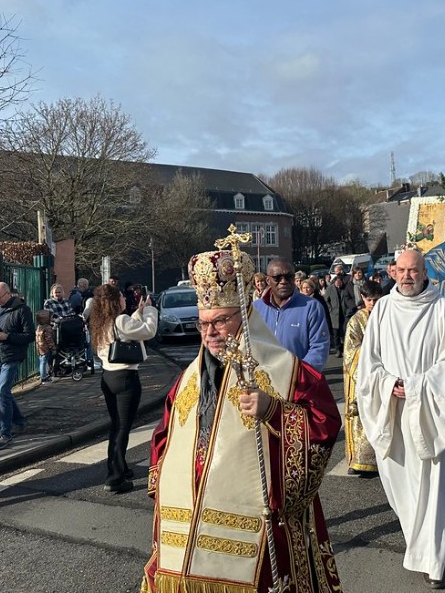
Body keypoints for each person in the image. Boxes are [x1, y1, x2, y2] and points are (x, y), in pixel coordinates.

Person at [141, 246, 342, 593]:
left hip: (260, 531)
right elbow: (165, 434)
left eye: (221, 320)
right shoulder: (187, 379)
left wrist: (273, 411)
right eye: (204, 323)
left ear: (246, 314)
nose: (211, 332)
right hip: (186, 526)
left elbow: (324, 425)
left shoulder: (289, 372)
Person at [356, 249, 445, 589]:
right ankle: (419, 543)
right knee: (402, 486)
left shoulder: (441, 310)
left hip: (430, 412)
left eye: (414, 271)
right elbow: (369, 365)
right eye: (402, 270)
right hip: (392, 411)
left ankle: (433, 561)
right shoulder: (383, 313)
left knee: (435, 486)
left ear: (425, 273)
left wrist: (419, 386)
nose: (407, 276)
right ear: (393, 272)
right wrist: (390, 384)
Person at [89, 284, 159, 493]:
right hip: (126, 378)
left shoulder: (101, 322)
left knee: (116, 425)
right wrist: (150, 311)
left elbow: (130, 330)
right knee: (122, 429)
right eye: (121, 296)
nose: (124, 299)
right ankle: (115, 478)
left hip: (108, 376)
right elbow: (148, 331)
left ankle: (119, 467)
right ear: (114, 301)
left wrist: (138, 311)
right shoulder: (120, 320)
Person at [0, 281, 34, 451]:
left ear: (8, 294)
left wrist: (7, 336)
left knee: (2, 393)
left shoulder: (21, 310)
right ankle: (18, 421)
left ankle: (5, 434)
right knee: (3, 394)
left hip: (10, 357)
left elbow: (29, 335)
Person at [254, 258, 330, 370]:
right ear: (268, 280)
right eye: (277, 277)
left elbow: (319, 347)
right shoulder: (256, 308)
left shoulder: (311, 307)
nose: (283, 281)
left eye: (288, 276)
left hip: (299, 381)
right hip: (263, 381)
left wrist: (297, 373)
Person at [342, 280, 382, 477]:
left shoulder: (386, 317)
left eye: (376, 299)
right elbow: (350, 350)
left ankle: (380, 460)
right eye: (369, 300)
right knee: (360, 418)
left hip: (383, 375)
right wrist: (369, 356)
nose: (372, 304)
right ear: (363, 299)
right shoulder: (356, 320)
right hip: (360, 376)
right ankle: (359, 461)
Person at [324, 273, 348, 357]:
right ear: (334, 282)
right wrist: (330, 309)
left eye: (340, 283)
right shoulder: (330, 289)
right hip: (334, 314)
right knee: (336, 333)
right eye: (337, 283)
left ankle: (344, 349)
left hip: (344, 313)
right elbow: (326, 300)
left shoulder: (345, 288)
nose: (338, 285)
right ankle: (338, 349)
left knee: (345, 332)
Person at [35, 309, 56, 384]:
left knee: (42, 361)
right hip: (45, 348)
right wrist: (53, 348)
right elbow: (49, 339)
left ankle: (44, 375)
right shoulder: (47, 327)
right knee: (44, 362)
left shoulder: (39, 327)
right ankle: (44, 377)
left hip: (40, 347)